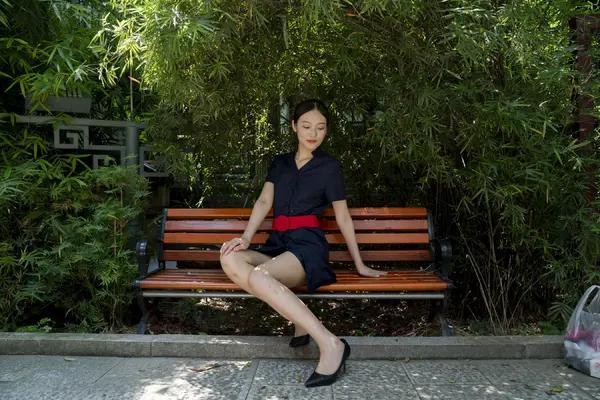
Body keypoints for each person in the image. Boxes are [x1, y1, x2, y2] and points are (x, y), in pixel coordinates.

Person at [219, 99, 387, 388]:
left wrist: (359, 264)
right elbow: (264, 202)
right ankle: (299, 318)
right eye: (307, 126)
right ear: (294, 126)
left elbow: (343, 217)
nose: (313, 134)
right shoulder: (280, 163)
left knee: (259, 277)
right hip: (277, 245)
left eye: (321, 128)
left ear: (327, 130)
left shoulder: (329, 167)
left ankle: (330, 343)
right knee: (230, 258)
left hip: (307, 248)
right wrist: (245, 238)